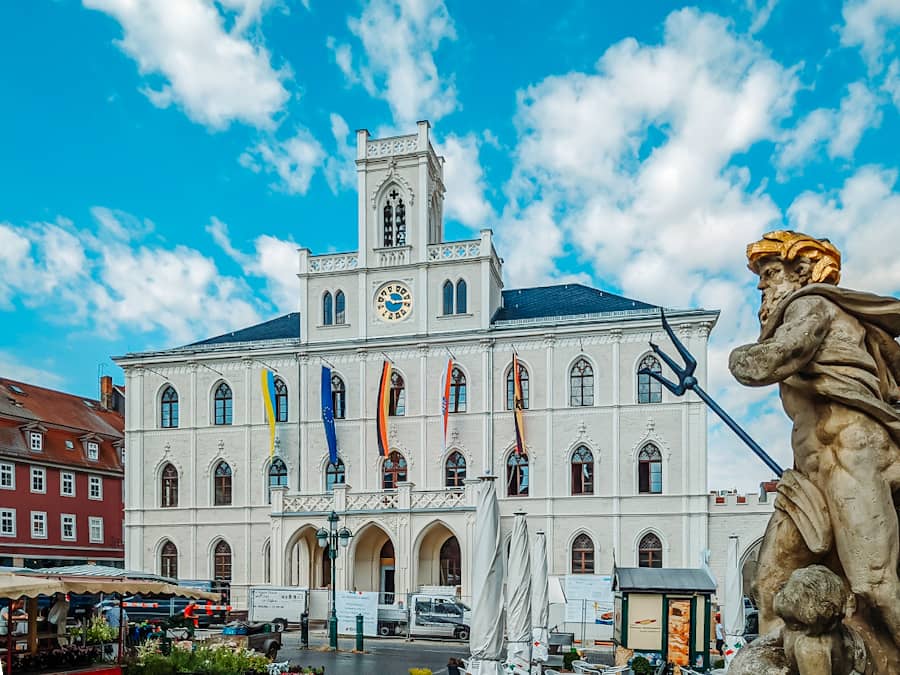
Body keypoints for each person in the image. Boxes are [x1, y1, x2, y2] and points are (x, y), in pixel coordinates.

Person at [729, 230, 900, 650]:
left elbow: (778, 357)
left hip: (851, 459)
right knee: (771, 581)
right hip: (809, 477)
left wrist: (740, 359)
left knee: (874, 587)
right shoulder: (808, 310)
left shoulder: (811, 304)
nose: (761, 285)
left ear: (802, 272)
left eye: (770, 273)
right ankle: (777, 658)